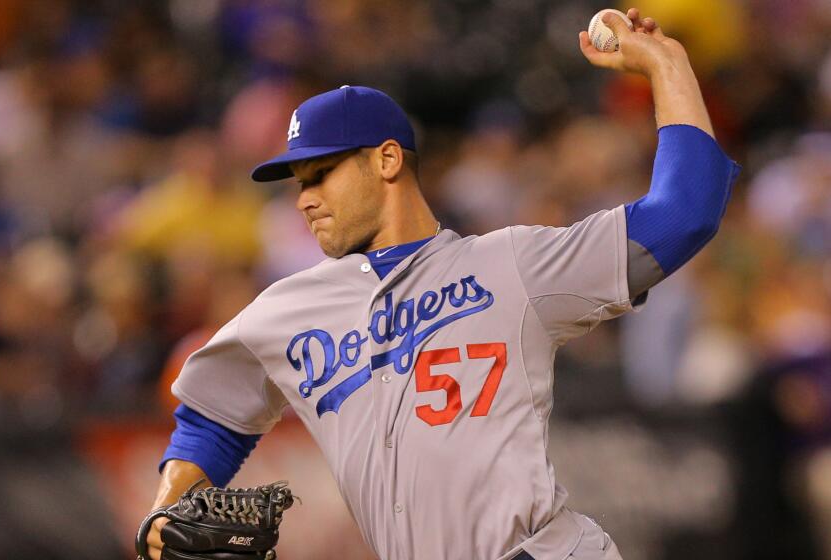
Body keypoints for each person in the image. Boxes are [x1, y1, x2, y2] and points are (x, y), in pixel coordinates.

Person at [143, 9, 740, 560]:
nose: (304, 198)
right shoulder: (283, 310)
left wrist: (668, 64)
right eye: (297, 182)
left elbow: (685, 213)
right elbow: (211, 422)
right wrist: (162, 519)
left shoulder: (511, 264)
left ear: (386, 160)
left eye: (320, 174)